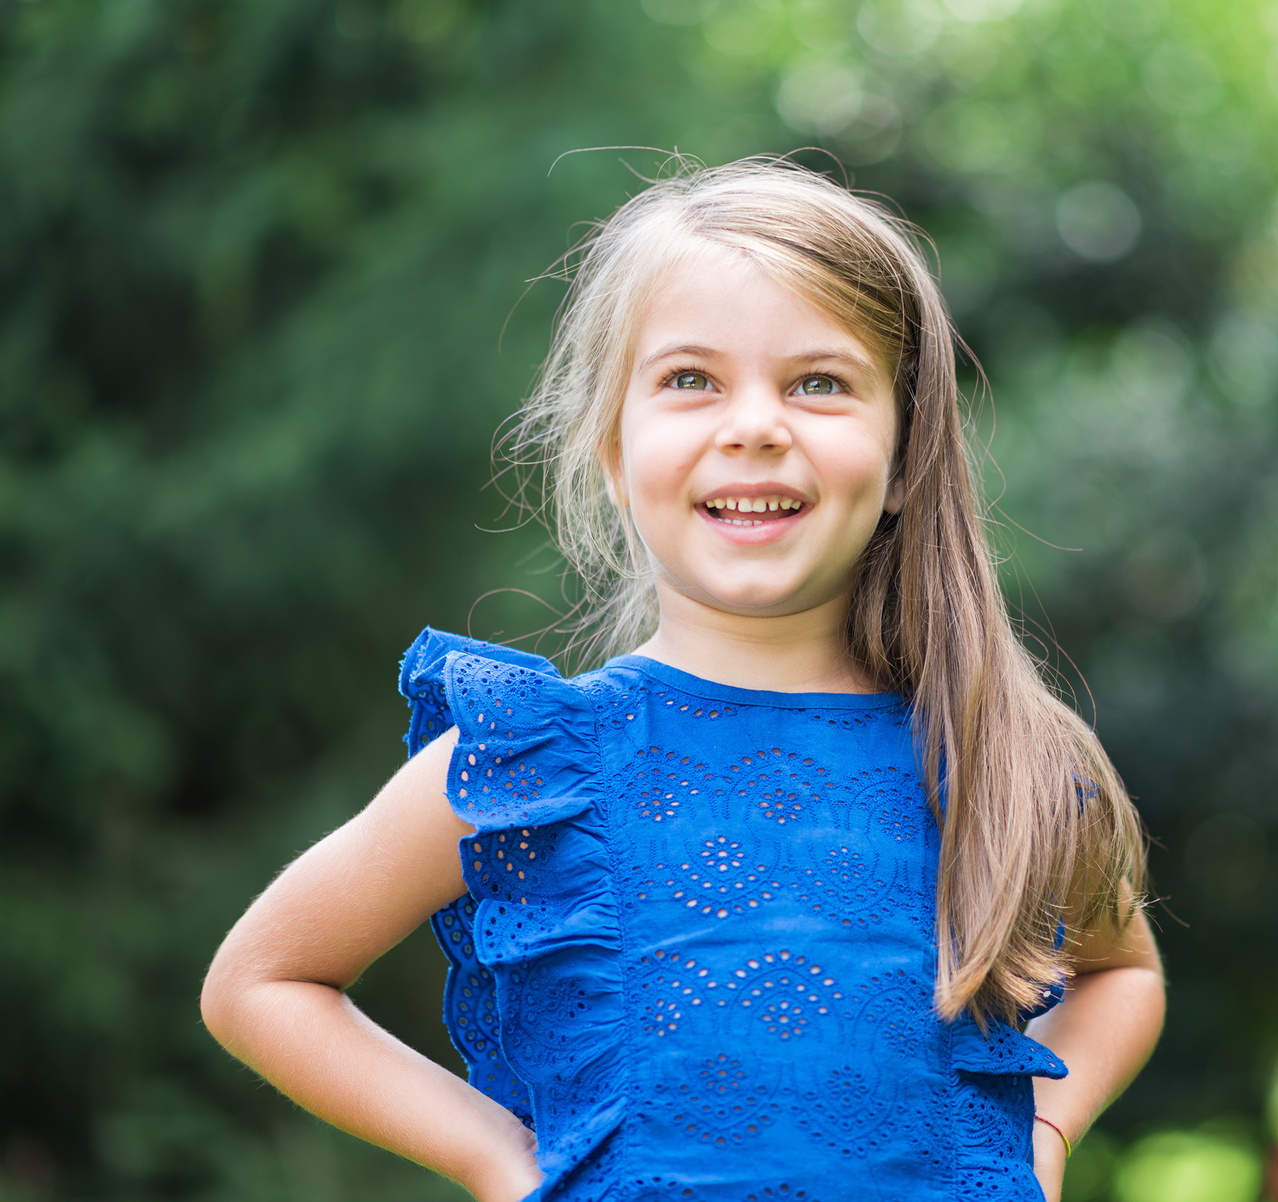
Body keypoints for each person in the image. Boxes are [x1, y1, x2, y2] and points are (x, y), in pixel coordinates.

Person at [201, 158, 1165, 1202]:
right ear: (614, 451)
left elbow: (1124, 970)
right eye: (691, 379)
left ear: (903, 459)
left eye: (820, 382)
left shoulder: (997, 753)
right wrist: (498, 1159)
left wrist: (1046, 1134)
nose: (754, 423)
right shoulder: (533, 764)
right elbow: (260, 981)